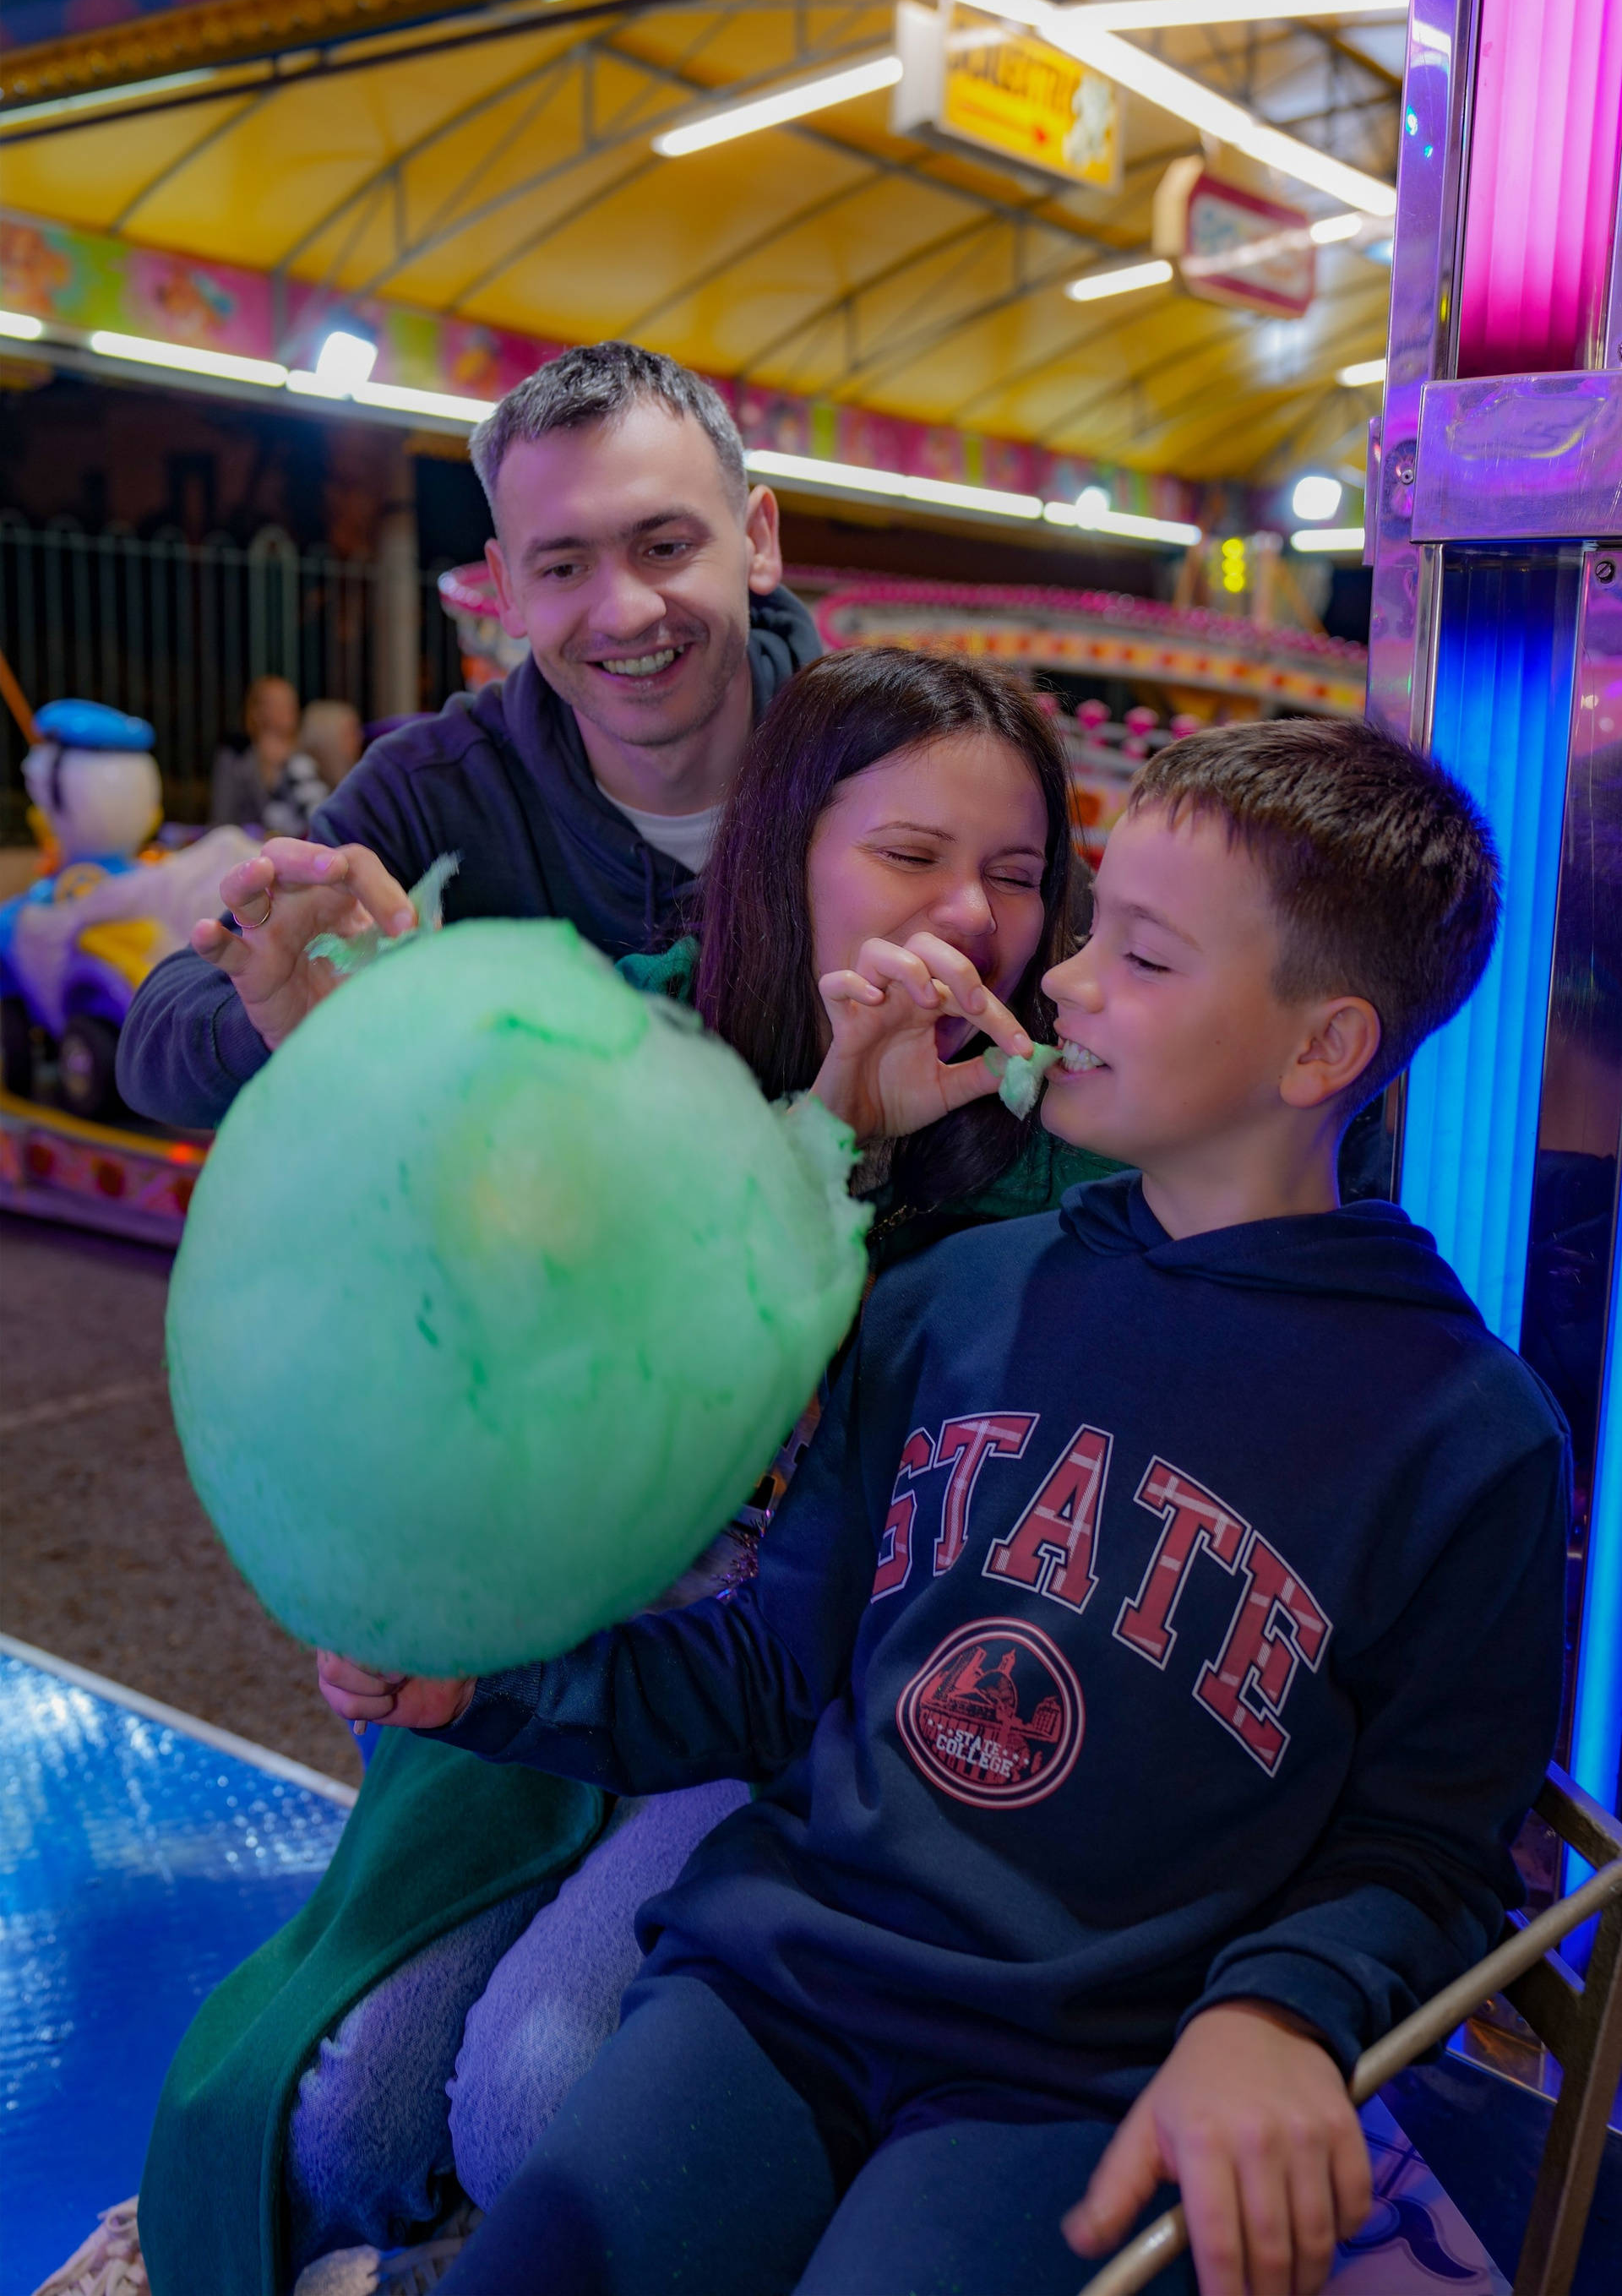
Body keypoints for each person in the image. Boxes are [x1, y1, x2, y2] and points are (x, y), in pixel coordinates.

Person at [322, 717, 1570, 2296]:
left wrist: (1277, 2012)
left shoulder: (1467, 1438)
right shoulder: (957, 1298)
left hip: (1081, 2077)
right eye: (1093, 929)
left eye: (1146, 958)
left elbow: (1429, 1844)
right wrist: (493, 1686)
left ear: (1321, 1050)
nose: (1066, 983)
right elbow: (774, 1673)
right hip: (778, 1984)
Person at [127, 650, 1120, 2296]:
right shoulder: (635, 1029)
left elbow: (862, 1562)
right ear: (788, 846)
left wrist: (847, 1153)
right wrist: (346, 1052)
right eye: (910, 853)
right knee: (337, 2115)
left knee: (533, 2098)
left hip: (811, 1715)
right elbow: (460, 1318)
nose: (970, 913)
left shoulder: (1066, 1146)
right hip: (571, 1648)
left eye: (1017, 873)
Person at [116, 344, 821, 1130]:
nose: (625, 614)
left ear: (757, 540)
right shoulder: (431, 789)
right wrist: (272, 1016)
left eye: (665, 548)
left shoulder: (876, 760)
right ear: (508, 589)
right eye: (562, 568)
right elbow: (153, 1045)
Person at [209, 675, 328, 836]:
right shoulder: (235, 756)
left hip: (294, 846)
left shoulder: (304, 757)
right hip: (243, 846)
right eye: (279, 704)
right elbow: (222, 819)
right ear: (257, 712)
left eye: (292, 703)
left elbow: (315, 812)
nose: (289, 709)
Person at [297, 698, 364, 796]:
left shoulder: (349, 780)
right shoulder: (303, 782)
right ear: (328, 740)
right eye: (351, 733)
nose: (360, 738)